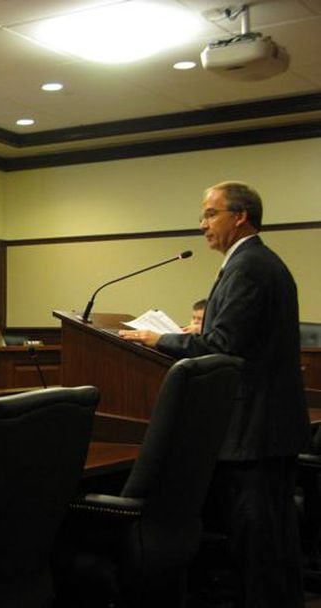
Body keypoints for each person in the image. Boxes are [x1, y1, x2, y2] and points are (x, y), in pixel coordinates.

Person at [119, 181, 309, 608]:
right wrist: (199, 333)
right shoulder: (255, 262)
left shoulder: (249, 266)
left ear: (239, 216)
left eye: (209, 214)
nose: (202, 224)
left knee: (260, 546)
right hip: (263, 426)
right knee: (271, 545)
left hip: (255, 429)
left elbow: (224, 349)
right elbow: (238, 337)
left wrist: (158, 339)